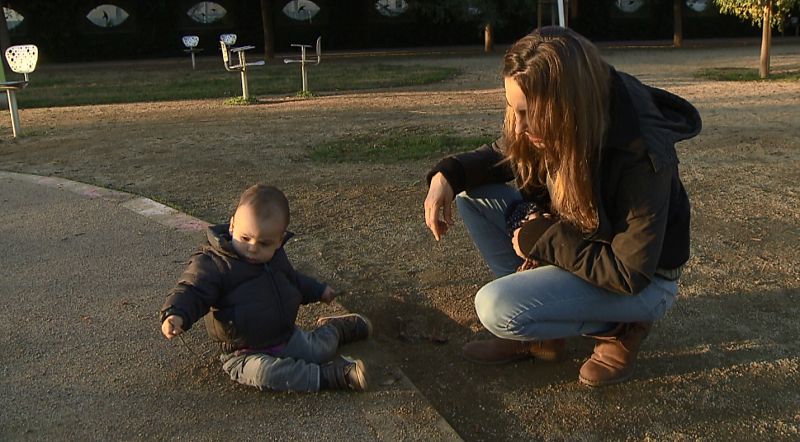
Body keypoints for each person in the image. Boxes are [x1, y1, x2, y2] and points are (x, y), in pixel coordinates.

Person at [423, 27, 700, 387]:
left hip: (643, 284)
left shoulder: (640, 152)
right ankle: (541, 332)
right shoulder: (558, 115)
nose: (519, 127)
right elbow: (500, 154)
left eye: (528, 113)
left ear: (566, 104)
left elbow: (629, 272)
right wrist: (447, 175)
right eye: (513, 110)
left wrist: (543, 238)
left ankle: (621, 328)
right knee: (472, 195)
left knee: (495, 306)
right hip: (581, 243)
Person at [160, 184, 371, 392]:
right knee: (268, 373)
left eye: (264, 244)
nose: (253, 248)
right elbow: (192, 289)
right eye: (245, 238)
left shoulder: (276, 259)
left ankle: (335, 330)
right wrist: (176, 313)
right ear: (232, 226)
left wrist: (318, 291)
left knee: (319, 350)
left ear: (279, 241)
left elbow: (293, 282)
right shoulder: (214, 264)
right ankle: (327, 376)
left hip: (284, 336)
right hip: (243, 353)